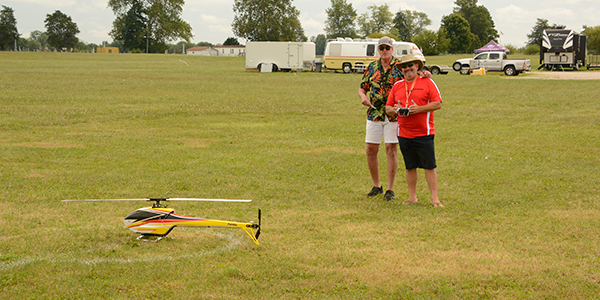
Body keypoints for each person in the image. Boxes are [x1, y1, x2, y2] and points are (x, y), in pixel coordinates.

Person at [358, 36, 430, 201]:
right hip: (374, 113)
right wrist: (362, 97)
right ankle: (377, 186)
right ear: (378, 49)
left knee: (391, 149)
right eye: (381, 48)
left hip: (394, 114)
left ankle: (390, 188)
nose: (384, 51)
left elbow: (416, 76)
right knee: (371, 149)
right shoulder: (372, 67)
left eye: (387, 48)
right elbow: (363, 88)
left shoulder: (400, 65)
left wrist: (426, 74)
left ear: (392, 49)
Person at [385, 53, 444, 207]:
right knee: (410, 166)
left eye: (410, 65)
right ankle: (412, 197)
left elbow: (437, 104)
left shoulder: (427, 82)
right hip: (404, 133)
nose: (407, 68)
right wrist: (396, 110)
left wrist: (419, 109)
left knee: (429, 166)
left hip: (424, 133)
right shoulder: (397, 85)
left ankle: (435, 199)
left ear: (417, 66)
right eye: (404, 66)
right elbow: (387, 108)